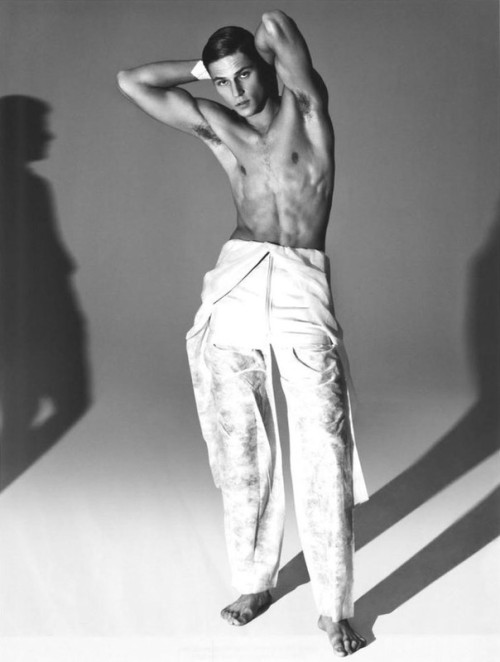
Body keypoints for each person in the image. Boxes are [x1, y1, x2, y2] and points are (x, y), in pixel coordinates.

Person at [117, 10, 369, 657]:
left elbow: (277, 26)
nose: (235, 92)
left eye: (244, 77)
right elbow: (132, 82)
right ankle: (255, 582)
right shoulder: (220, 126)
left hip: (299, 285)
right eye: (223, 82)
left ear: (267, 70)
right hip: (238, 278)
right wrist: (204, 70)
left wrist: (251, 50)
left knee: (324, 445)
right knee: (240, 442)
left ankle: (334, 608)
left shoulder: (306, 111)